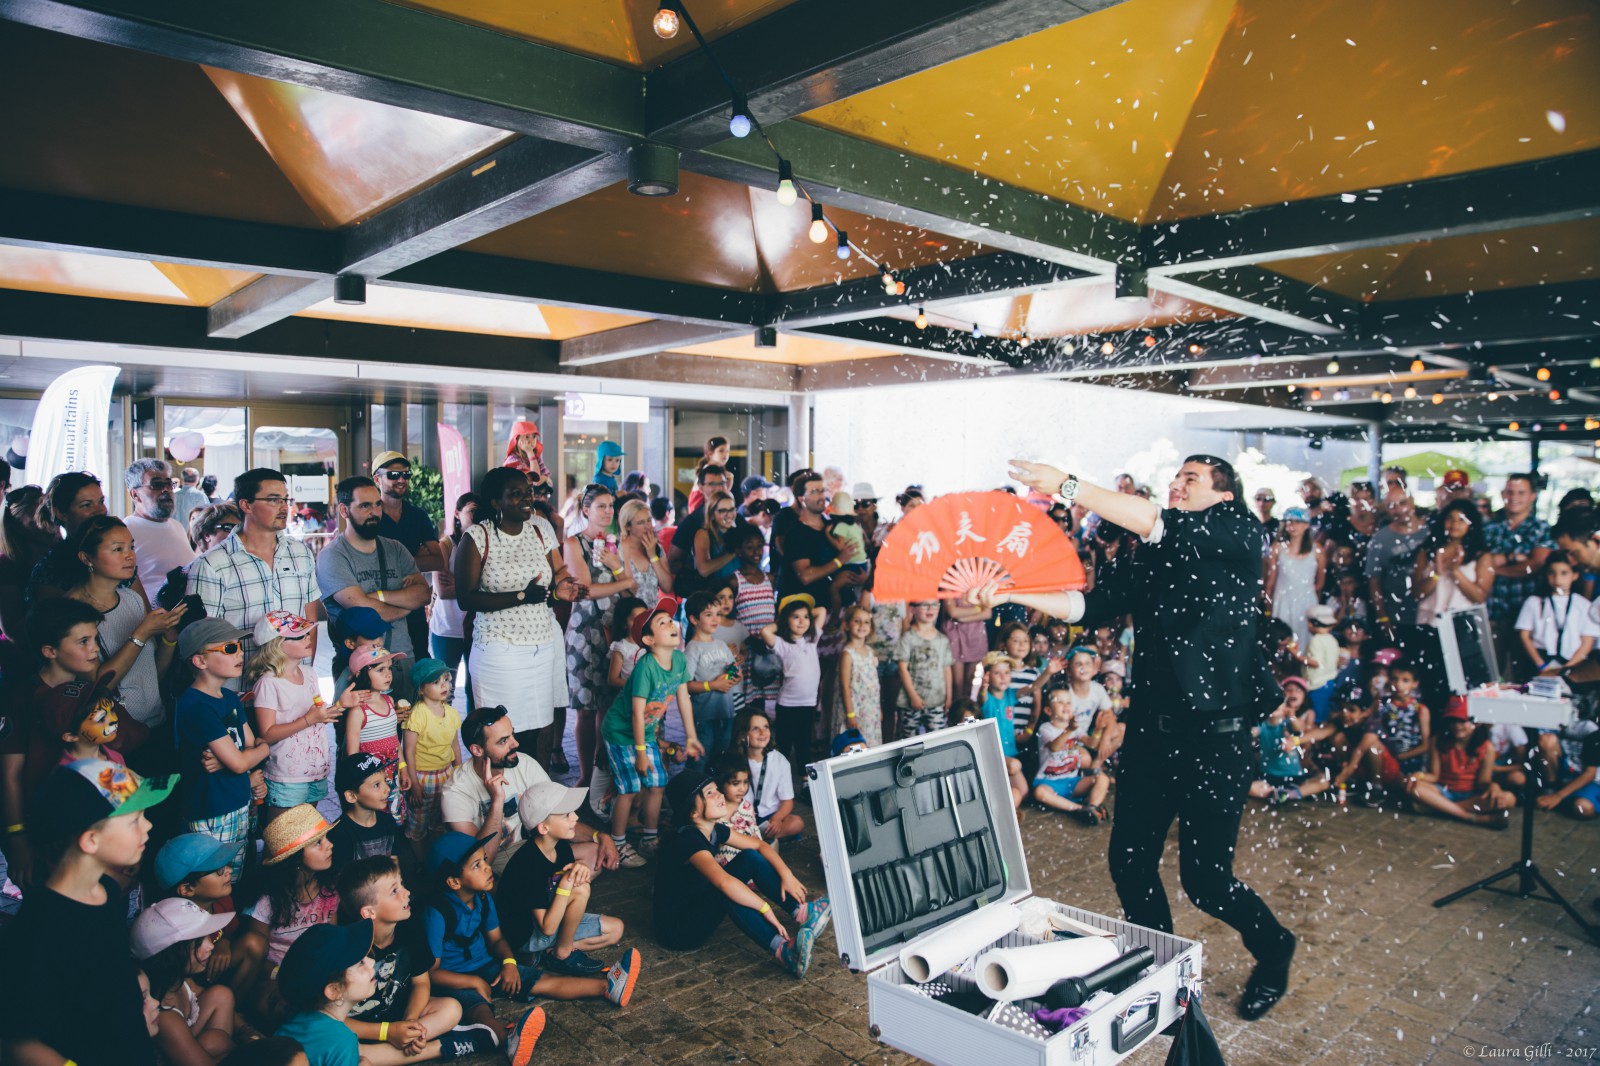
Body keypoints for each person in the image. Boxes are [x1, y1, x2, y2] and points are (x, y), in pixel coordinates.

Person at [975, 455, 1294, 1021]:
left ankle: (1275, 948)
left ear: (1223, 494)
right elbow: (1087, 605)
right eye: (1175, 477)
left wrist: (1068, 485)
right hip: (1150, 737)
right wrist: (1010, 592)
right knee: (1129, 863)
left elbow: (1152, 518)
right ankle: (1162, 974)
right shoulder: (1152, 551)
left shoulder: (1239, 529)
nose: (1176, 484)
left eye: (1191, 478)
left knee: (1207, 883)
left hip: (1216, 740)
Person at [0, 758, 174, 1066]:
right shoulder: (41, 928)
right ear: (91, 840)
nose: (148, 826)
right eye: (135, 820)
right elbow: (18, 1041)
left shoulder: (106, 889)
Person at [421, 832, 634, 1046]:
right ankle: (507, 1040)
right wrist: (474, 982)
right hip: (453, 979)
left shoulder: (482, 899)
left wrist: (509, 963)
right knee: (479, 1009)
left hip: (487, 967)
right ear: (454, 882)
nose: (487, 868)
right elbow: (432, 972)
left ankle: (608, 987)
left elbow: (496, 940)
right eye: (477, 865)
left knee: (542, 981)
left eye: (484, 860)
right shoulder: (436, 914)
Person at [454, 467, 585, 764]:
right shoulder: (477, 537)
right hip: (499, 649)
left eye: (528, 492)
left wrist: (562, 589)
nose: (527, 499)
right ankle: (500, 789)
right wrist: (520, 596)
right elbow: (466, 598)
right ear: (496, 501)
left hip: (541, 645)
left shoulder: (540, 529)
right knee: (499, 733)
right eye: (517, 494)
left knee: (540, 726)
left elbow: (553, 578)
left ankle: (536, 787)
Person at [651, 770, 830, 978]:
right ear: (692, 812)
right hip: (678, 931)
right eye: (709, 793)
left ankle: (802, 912)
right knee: (728, 892)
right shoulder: (688, 840)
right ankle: (784, 951)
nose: (719, 795)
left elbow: (759, 845)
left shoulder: (714, 829)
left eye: (717, 789)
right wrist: (764, 908)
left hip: (697, 902)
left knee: (749, 857)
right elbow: (725, 883)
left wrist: (787, 874)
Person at [333, 856, 499, 1064]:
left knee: (451, 1008)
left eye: (402, 884)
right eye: (394, 891)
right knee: (338, 1045)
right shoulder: (345, 949)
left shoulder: (411, 927)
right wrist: (387, 1032)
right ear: (369, 912)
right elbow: (331, 1019)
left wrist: (409, 1024)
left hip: (397, 1015)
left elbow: (421, 983)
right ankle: (440, 1047)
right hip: (362, 1030)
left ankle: (395, 1049)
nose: (407, 893)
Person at [441, 705, 616, 874]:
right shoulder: (455, 791)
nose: (515, 743)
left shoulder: (523, 763)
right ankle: (550, 886)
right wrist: (497, 801)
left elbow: (556, 816)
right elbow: (481, 861)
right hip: (492, 867)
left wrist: (599, 836)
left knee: (596, 853)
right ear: (477, 750)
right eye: (503, 741)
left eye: (512, 734)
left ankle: (550, 886)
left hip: (530, 848)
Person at [187, 468, 323, 676]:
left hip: (294, 684)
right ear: (246, 505)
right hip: (240, 686)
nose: (284, 507)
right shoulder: (211, 564)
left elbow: (309, 620)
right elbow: (201, 638)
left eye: (285, 499)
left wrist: (304, 677)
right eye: (274, 500)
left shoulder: (300, 553)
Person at [600, 597, 703, 866]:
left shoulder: (678, 659)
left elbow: (683, 698)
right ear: (648, 640)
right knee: (629, 788)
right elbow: (636, 713)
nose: (672, 624)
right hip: (621, 733)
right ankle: (618, 844)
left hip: (645, 734)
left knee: (657, 783)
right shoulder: (645, 667)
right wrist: (641, 753)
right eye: (662, 623)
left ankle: (649, 838)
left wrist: (691, 736)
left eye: (670, 620)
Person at [61, 515, 186, 729]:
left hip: (154, 722)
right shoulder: (71, 611)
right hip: (111, 730)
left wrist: (169, 640)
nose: (129, 556)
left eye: (131, 547)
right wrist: (141, 633)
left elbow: (150, 676)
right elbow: (97, 685)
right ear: (86, 558)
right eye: (118, 549)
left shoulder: (132, 599)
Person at [494, 782, 628, 975]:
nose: (575, 817)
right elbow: (547, 928)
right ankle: (561, 954)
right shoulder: (527, 864)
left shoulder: (561, 846)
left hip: (553, 916)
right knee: (580, 888)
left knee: (616, 929)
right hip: (527, 936)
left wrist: (579, 868)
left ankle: (546, 954)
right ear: (544, 828)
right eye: (566, 815)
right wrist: (567, 882)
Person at [318, 476, 429, 701]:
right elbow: (364, 611)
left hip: (401, 659)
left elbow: (423, 594)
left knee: (406, 723)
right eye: (365, 506)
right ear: (344, 510)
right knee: (359, 725)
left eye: (378, 504)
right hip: (359, 666)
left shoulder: (395, 549)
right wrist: (405, 605)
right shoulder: (333, 556)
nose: (375, 512)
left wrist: (379, 596)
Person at [175, 618, 268, 883]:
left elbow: (252, 745)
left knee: (237, 875)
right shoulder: (197, 706)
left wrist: (254, 752)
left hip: (239, 800)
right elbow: (242, 760)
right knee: (214, 880)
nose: (240, 653)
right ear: (200, 661)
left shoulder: (229, 698)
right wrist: (254, 753)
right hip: (212, 811)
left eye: (239, 646)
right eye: (229, 648)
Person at [236, 805, 341, 1024]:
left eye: (326, 838)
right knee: (273, 1006)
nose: (330, 845)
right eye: (318, 843)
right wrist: (281, 975)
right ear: (295, 859)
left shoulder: (330, 889)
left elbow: (331, 938)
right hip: (276, 976)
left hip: (317, 972)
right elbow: (257, 955)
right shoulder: (267, 900)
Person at [564, 483, 636, 778]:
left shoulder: (617, 543)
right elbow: (585, 590)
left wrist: (618, 568)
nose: (608, 512)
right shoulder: (573, 543)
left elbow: (633, 591)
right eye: (601, 506)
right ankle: (585, 775)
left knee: (609, 703)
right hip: (586, 629)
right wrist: (624, 581)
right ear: (586, 510)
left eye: (611, 506)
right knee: (585, 708)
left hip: (614, 627)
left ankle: (602, 772)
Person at [248, 610, 344, 820]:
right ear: (276, 645)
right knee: (283, 833)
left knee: (308, 829)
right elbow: (267, 734)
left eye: (307, 633)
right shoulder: (268, 683)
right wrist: (309, 719)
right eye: (300, 636)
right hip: (286, 776)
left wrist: (342, 705)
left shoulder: (309, 673)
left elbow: (318, 716)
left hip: (316, 770)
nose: (309, 638)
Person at [131, 897, 240, 1064]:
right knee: (218, 1042)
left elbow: (205, 994)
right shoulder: (164, 1016)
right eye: (198, 943)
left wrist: (245, 1029)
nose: (211, 946)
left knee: (221, 998)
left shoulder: (179, 981)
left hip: (190, 1042)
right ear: (171, 956)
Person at [371, 452, 446, 659]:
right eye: (393, 475)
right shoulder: (371, 517)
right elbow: (369, 561)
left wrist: (396, 563)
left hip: (414, 607)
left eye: (406, 474)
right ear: (377, 479)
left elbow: (438, 560)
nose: (401, 479)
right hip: (380, 605)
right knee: (380, 665)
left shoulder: (418, 516)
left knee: (419, 662)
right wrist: (415, 559)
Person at [274, 920, 380, 1066]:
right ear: (334, 990)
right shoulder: (342, 1043)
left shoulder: (294, 1021)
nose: (372, 962)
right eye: (360, 963)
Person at [1404, 699, 1514, 828]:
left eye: (1462, 721)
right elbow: (1434, 776)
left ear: (1476, 723)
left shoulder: (1487, 747)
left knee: (1509, 798)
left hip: (1470, 795)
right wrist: (1418, 775)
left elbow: (1483, 783)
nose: (1457, 726)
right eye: (1453, 721)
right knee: (1415, 788)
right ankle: (1472, 817)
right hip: (1443, 791)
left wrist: (1494, 786)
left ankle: (1437, 808)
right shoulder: (1437, 740)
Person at [1485, 473, 1555, 673]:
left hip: (1527, 616)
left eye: (1521, 492)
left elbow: (1535, 566)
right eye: (1510, 492)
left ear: (1532, 496)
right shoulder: (1490, 529)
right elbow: (1480, 562)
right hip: (1493, 612)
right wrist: (1516, 558)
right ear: (1502, 494)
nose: (1514, 497)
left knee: (1525, 674)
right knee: (1491, 673)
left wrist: (1495, 568)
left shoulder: (1541, 528)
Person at [770, 469, 859, 605]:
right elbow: (805, 576)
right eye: (814, 492)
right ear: (801, 499)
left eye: (822, 491)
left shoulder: (832, 526)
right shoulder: (796, 533)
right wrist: (839, 561)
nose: (821, 496)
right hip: (807, 609)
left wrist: (858, 577)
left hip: (836, 606)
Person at [759, 594, 826, 772]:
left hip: (808, 703)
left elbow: (821, 611)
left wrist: (801, 613)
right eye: (796, 617)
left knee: (804, 742)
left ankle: (804, 778)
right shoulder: (782, 644)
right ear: (785, 620)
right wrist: (783, 620)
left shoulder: (812, 640)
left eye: (806, 617)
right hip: (787, 704)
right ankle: (780, 776)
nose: (802, 621)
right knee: (784, 744)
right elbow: (765, 631)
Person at [404, 658, 463, 846]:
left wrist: (458, 771)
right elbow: (409, 752)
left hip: (446, 773)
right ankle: (420, 858)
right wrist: (414, 783)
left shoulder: (451, 713)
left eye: (446, 679)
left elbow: (455, 745)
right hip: (423, 777)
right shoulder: (417, 715)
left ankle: (436, 852)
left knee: (442, 818)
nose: (444, 685)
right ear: (421, 689)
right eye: (436, 682)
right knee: (418, 821)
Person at [1413, 497, 1494, 625]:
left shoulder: (1481, 556)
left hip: (1462, 623)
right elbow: (1417, 594)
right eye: (1450, 518)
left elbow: (1479, 598)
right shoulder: (1426, 552)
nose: (1455, 524)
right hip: (1428, 621)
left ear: (1471, 523)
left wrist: (1455, 571)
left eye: (1462, 520)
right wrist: (1437, 574)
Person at [1516, 551, 1598, 677]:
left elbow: (1587, 642)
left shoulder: (1584, 605)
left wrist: (1568, 668)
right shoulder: (1534, 602)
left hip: (1573, 663)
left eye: (1564, 573)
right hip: (1540, 661)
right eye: (1552, 573)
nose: (1557, 579)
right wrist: (1542, 665)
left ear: (1575, 575)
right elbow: (1524, 636)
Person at [123, 458, 197, 596]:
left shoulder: (177, 526)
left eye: (169, 484)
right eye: (156, 484)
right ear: (135, 494)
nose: (166, 490)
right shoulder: (126, 531)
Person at [428, 492, 478, 691]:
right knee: (444, 690)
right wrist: (475, 589)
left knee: (475, 689)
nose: (476, 516)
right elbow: (443, 591)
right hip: (447, 628)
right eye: (472, 511)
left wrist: (458, 584)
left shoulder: (485, 545)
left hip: (476, 628)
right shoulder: (446, 545)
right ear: (457, 514)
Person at [731, 708, 804, 842]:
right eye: (755, 728)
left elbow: (787, 801)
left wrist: (777, 819)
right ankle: (759, 840)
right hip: (742, 816)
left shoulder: (779, 760)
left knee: (796, 822)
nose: (763, 732)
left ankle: (754, 840)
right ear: (742, 735)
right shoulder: (734, 762)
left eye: (766, 727)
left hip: (769, 816)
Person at [0, 485, 55, 638]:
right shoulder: (5, 566)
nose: (49, 526)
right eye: (36, 521)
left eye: (50, 518)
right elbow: (13, 630)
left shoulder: (65, 553)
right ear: (17, 526)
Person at [895, 600, 953, 739]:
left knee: (938, 740)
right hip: (910, 702)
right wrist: (913, 696)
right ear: (913, 609)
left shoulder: (942, 639)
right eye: (925, 605)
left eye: (935, 605)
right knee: (909, 742)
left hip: (936, 701)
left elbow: (947, 669)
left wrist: (949, 697)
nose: (930, 608)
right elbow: (902, 668)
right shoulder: (908, 637)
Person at [1266, 506, 1323, 650]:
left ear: (1306, 525)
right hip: (1283, 601)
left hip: (1307, 602)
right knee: (1282, 640)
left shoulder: (1317, 550)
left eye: (1298, 522)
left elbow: (1320, 583)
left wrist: (1306, 594)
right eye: (1289, 522)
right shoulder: (1277, 548)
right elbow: (1270, 583)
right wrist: (1268, 609)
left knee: (1307, 642)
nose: (1293, 526)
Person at [832, 604, 882, 745]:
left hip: (870, 710)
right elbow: (845, 686)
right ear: (847, 625)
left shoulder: (869, 651)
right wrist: (850, 714)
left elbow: (873, 683)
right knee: (855, 745)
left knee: (871, 743)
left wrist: (878, 709)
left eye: (866, 622)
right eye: (857, 621)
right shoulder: (848, 654)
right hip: (854, 710)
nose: (862, 625)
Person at [502, 419, 552, 486]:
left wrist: (545, 478)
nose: (531, 441)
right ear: (517, 439)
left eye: (534, 437)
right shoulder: (512, 460)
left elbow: (547, 477)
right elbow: (534, 480)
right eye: (527, 437)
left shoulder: (535, 457)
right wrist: (530, 452)